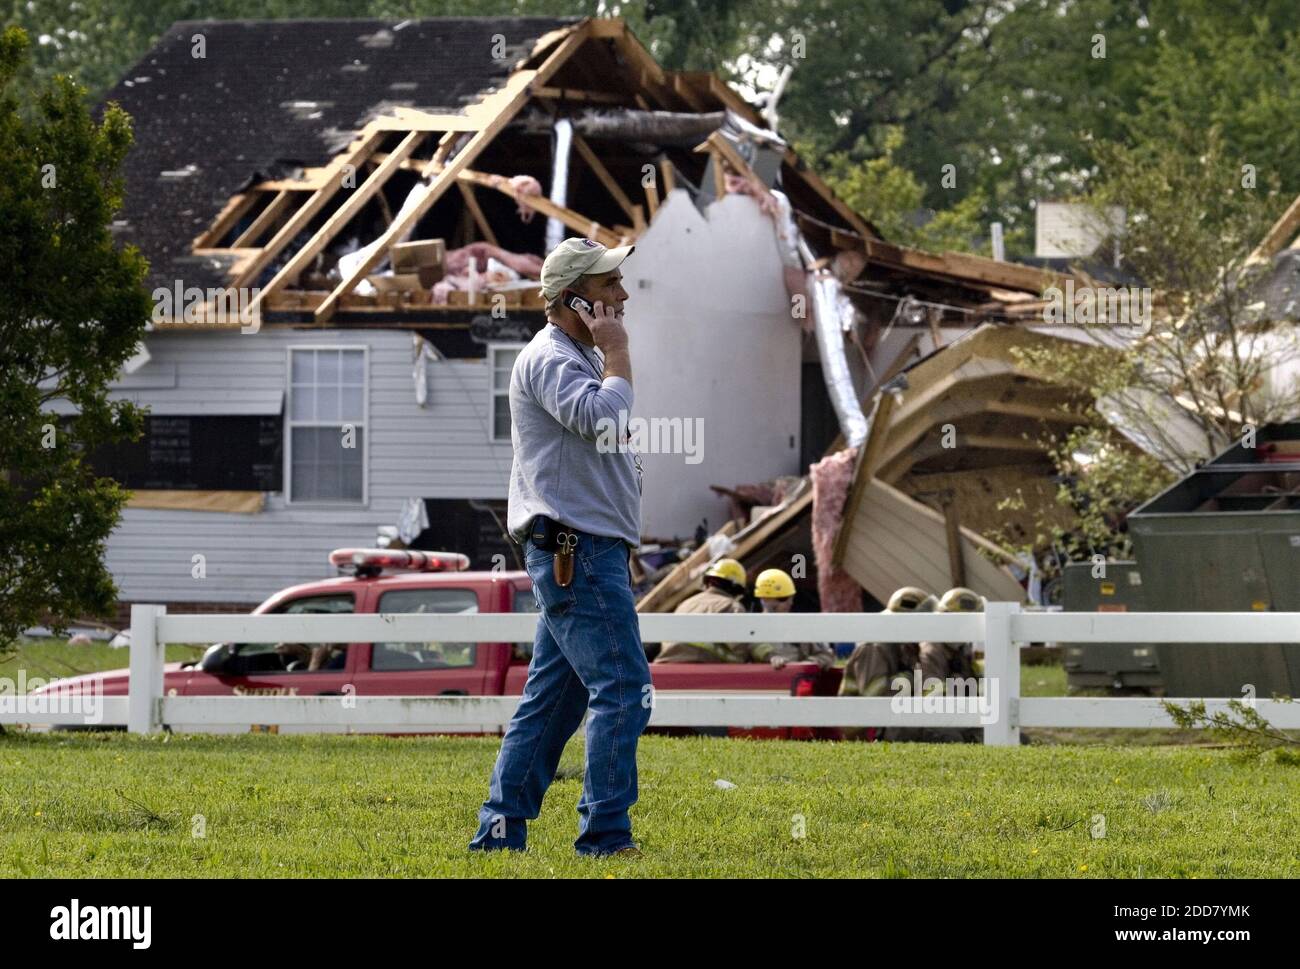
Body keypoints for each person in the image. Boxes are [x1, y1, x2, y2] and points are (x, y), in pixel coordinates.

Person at [469, 237, 651, 858]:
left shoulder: (572, 355)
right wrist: (620, 352)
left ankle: (499, 831)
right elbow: (603, 420)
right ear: (575, 298)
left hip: (581, 550)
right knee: (625, 688)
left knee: (553, 699)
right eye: (609, 288)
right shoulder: (553, 359)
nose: (622, 297)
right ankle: (605, 836)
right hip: (577, 551)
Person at [837, 586, 937, 741]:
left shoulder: (905, 646)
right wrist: (908, 679)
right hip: (864, 730)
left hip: (888, 717)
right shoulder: (874, 647)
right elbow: (872, 696)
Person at [654, 558, 750, 664]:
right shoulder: (732, 606)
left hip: (666, 665)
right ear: (736, 588)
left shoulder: (687, 602)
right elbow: (740, 648)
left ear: (707, 581)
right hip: (702, 667)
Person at [748, 568, 835, 670]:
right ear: (764, 599)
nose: (790, 603)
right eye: (783, 598)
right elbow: (754, 646)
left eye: (791, 598)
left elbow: (825, 655)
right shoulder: (752, 628)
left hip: (797, 681)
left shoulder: (798, 627)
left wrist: (807, 665)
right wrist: (772, 657)